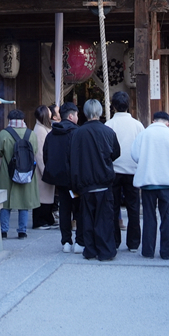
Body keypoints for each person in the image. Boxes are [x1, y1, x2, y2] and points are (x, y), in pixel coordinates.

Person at [69, 99, 121, 261]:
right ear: (100, 112)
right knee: (105, 219)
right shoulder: (108, 132)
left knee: (87, 218)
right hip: (104, 181)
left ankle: (90, 250)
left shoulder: (77, 133)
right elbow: (115, 153)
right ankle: (105, 251)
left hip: (85, 183)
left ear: (84, 113)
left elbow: (72, 158)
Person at [131, 110, 169, 260]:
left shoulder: (143, 135)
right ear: (168, 123)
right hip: (167, 183)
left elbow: (135, 155)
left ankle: (148, 251)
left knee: (149, 218)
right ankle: (166, 252)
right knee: (167, 219)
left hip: (148, 182)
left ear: (153, 121)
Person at [105, 90, 144, 252]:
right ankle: (133, 243)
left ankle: (114, 241)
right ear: (129, 105)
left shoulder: (109, 125)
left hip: (113, 170)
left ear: (113, 106)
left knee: (112, 208)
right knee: (133, 207)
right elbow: (142, 148)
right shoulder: (137, 125)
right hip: (133, 170)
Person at [42, 102, 82, 253]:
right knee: (79, 209)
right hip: (75, 179)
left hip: (59, 178)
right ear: (71, 116)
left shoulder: (51, 134)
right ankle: (79, 241)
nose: (78, 118)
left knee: (64, 209)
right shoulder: (77, 133)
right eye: (77, 115)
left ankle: (66, 241)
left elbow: (46, 156)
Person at [0, 110, 40, 238]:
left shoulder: (4, 133)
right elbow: (35, 150)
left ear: (9, 119)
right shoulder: (31, 134)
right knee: (24, 202)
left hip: (7, 171)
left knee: (5, 202)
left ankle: (3, 230)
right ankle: (22, 231)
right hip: (26, 171)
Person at [31, 105, 56, 229]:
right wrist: (44, 170)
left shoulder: (41, 128)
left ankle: (47, 218)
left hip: (45, 167)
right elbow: (39, 153)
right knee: (43, 196)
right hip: (42, 169)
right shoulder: (40, 130)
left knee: (45, 196)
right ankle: (41, 221)